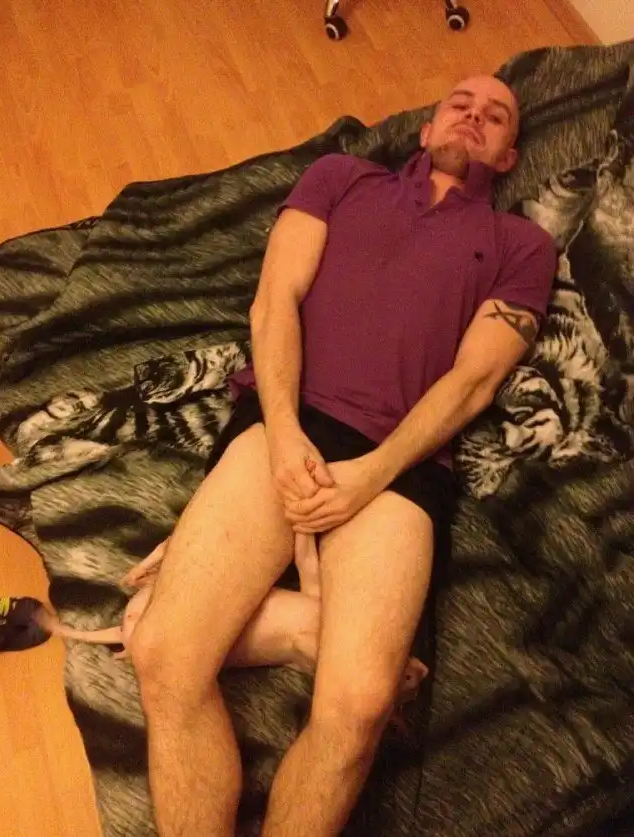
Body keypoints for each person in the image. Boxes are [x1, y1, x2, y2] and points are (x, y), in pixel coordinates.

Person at [130, 75, 557, 837]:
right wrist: (284, 430)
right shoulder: (341, 177)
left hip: (404, 466)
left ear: (508, 155)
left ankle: (297, 619)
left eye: (496, 116)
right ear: (426, 129)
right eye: (459, 104)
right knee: (163, 652)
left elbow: (475, 379)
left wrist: (375, 471)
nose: (474, 116)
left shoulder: (521, 245)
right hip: (288, 418)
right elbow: (274, 300)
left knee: (359, 705)